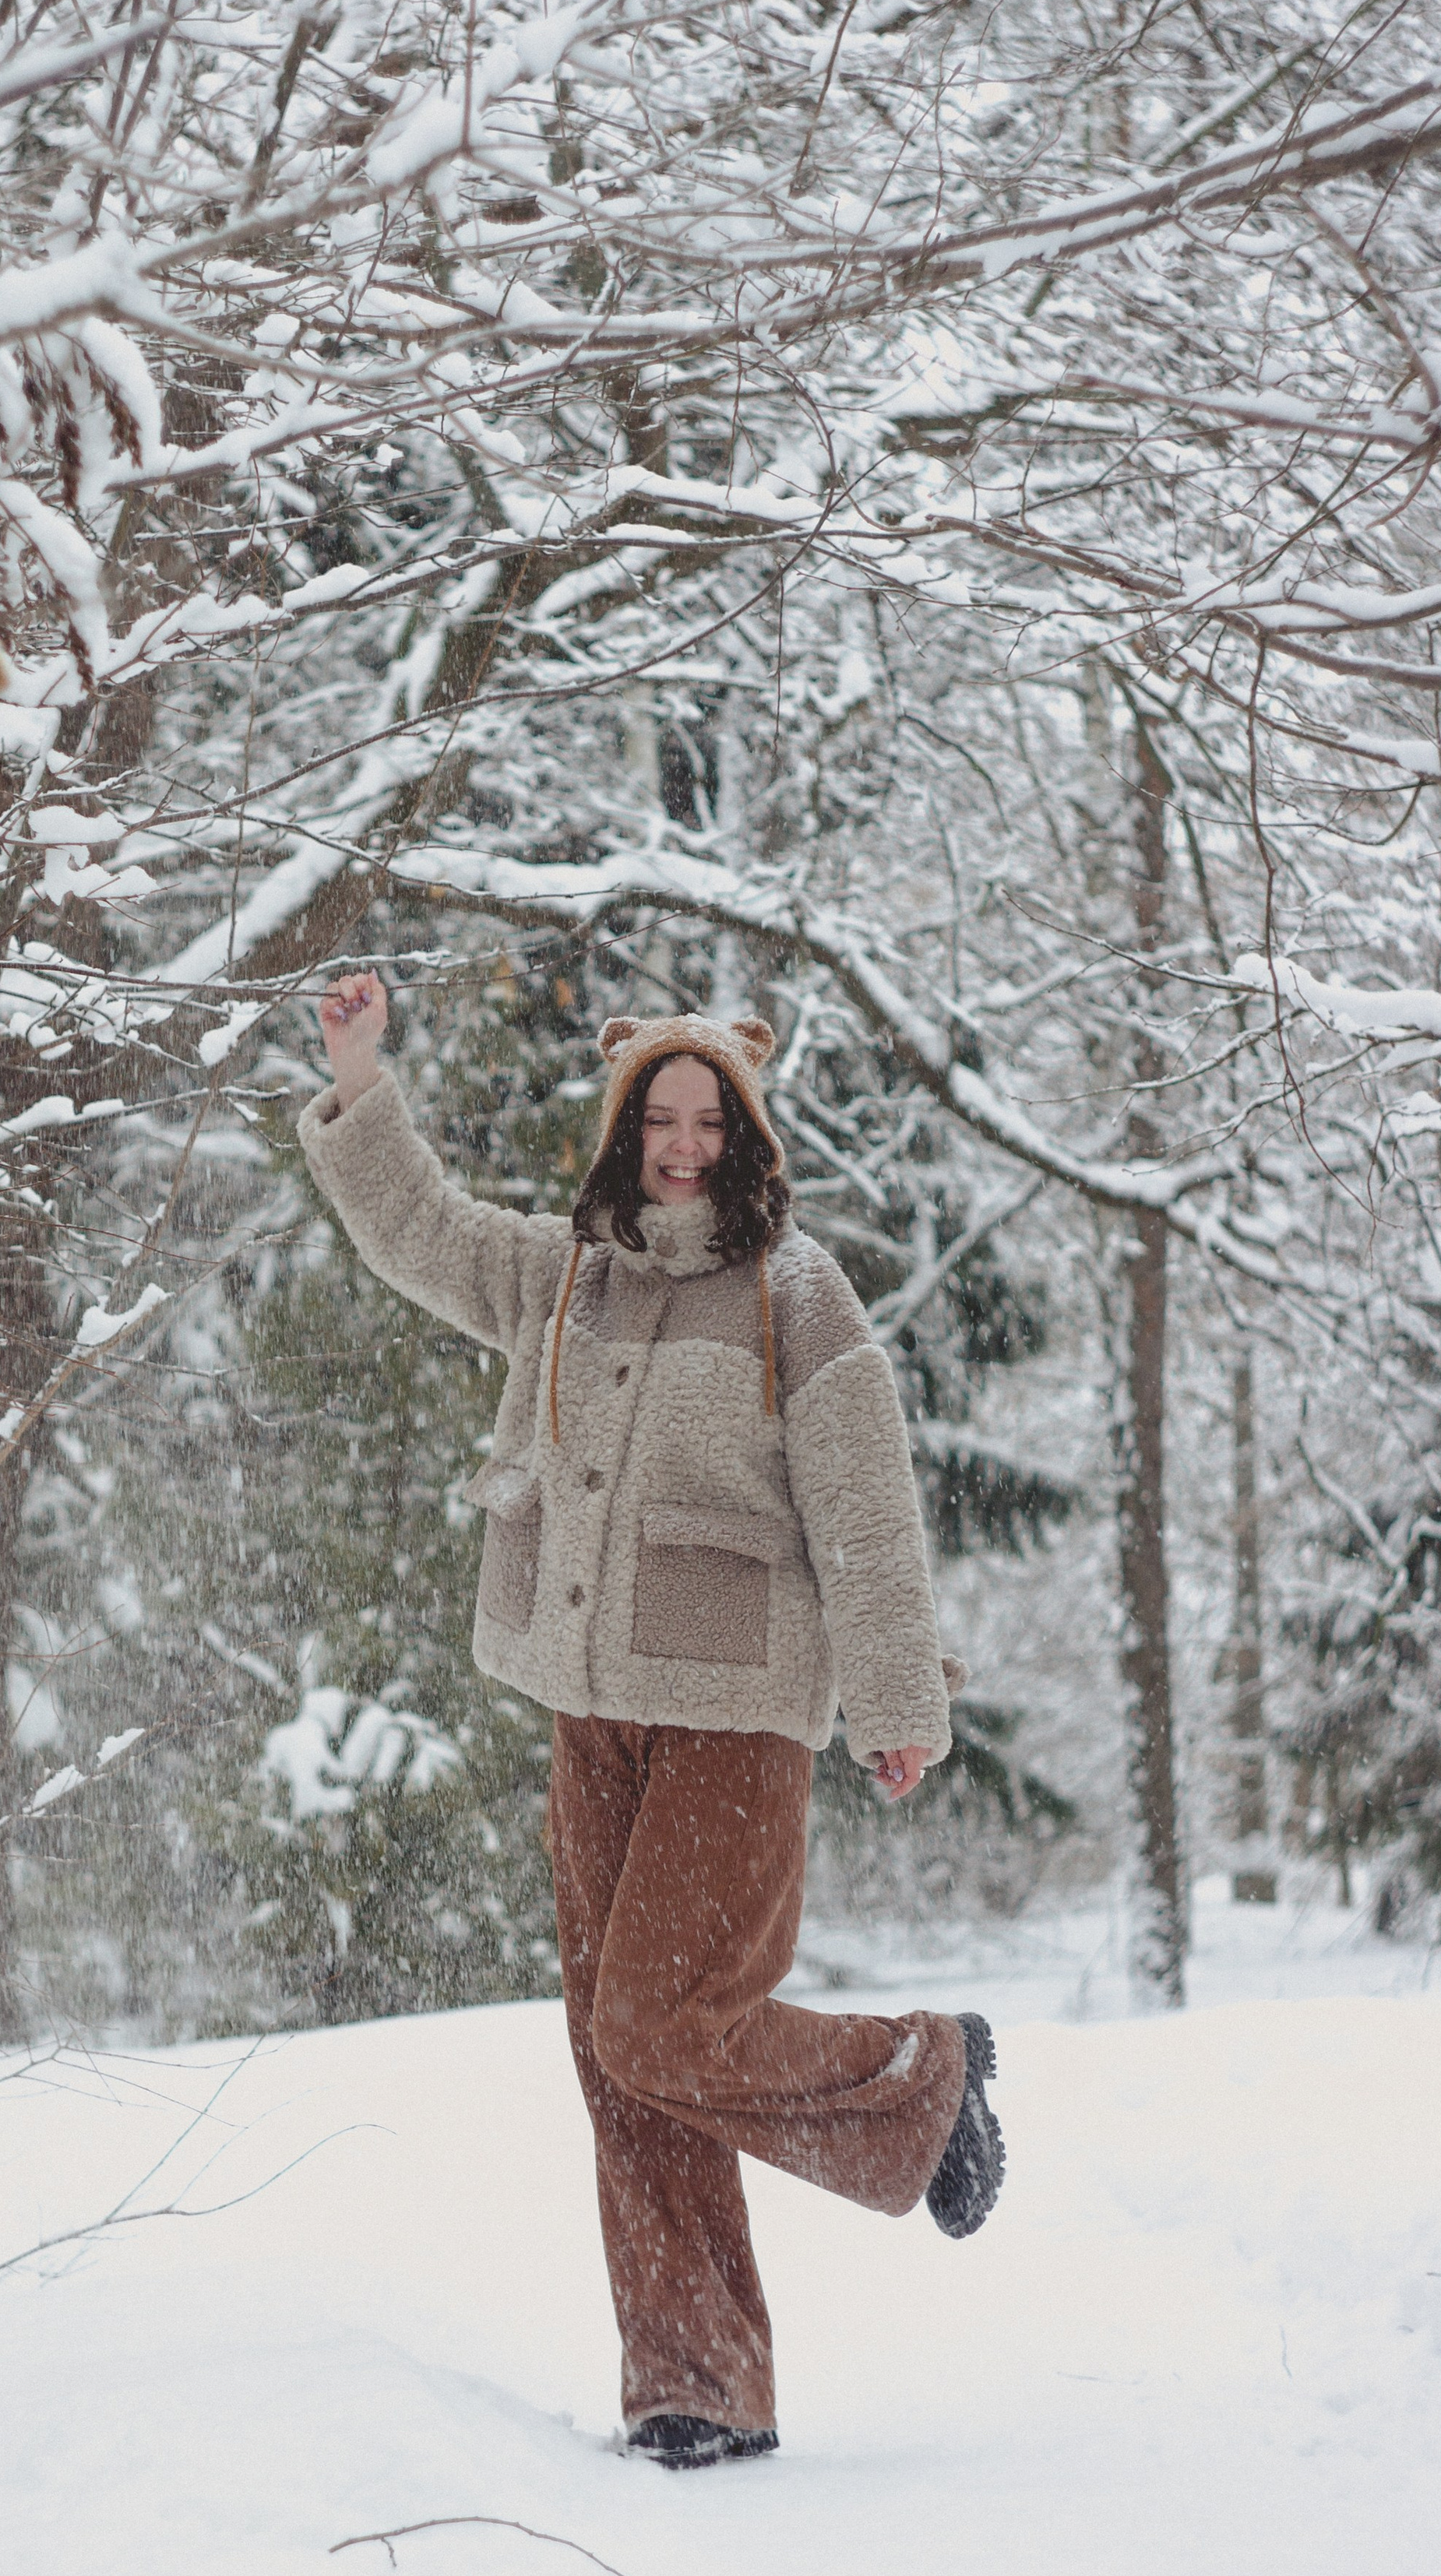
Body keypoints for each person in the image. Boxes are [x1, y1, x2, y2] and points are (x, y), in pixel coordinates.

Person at [303, 973, 1005, 2470]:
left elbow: (868, 1511)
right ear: (623, 1132)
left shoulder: (793, 1294)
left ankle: (920, 2079)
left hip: (738, 1712)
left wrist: (890, 1698)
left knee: (661, 2025)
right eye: (658, 1121)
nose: (682, 1147)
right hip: (590, 1706)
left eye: (708, 1122)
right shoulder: (569, 1278)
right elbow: (420, 1233)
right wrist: (362, 1079)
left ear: (745, 1135)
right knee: (616, 2054)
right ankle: (696, 2380)